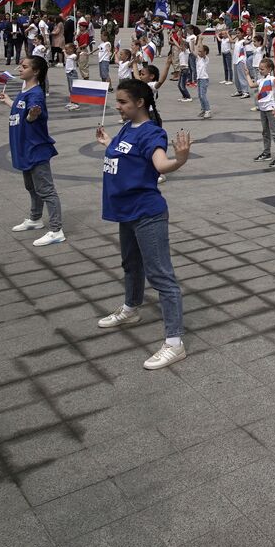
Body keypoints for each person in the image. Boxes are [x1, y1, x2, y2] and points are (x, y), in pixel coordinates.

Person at [94, 79, 192, 370]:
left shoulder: (152, 132)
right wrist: (108, 142)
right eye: (117, 101)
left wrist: (180, 159)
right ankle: (131, 308)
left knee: (161, 276)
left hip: (147, 213)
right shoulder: (127, 127)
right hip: (126, 211)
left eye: (123, 102)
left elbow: (160, 164)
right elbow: (127, 153)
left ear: (139, 103)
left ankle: (175, 343)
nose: (118, 106)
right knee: (130, 265)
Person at [3, 55, 66, 246]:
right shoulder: (26, 91)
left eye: (24, 67)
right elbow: (21, 109)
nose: (20, 69)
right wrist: (8, 101)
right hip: (23, 147)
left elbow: (32, 114)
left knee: (46, 190)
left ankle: (56, 230)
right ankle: (35, 218)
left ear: (35, 71)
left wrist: (32, 115)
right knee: (32, 187)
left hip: (35, 149)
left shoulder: (36, 94)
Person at [245, 57, 275, 167]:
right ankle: (267, 153)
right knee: (265, 132)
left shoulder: (272, 79)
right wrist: (247, 74)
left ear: (269, 69)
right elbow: (252, 85)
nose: (260, 71)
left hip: (271, 108)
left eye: (262, 69)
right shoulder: (261, 80)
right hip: (262, 109)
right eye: (259, 69)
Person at [63, 42, 83, 112]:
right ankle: (72, 102)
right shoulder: (69, 55)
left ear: (71, 49)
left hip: (72, 73)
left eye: (67, 49)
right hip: (68, 73)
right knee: (70, 88)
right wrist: (64, 51)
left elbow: (76, 58)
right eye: (65, 49)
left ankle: (76, 104)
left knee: (73, 88)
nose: (66, 50)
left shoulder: (73, 55)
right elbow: (66, 56)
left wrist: (78, 53)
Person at [194, 42, 211, 119]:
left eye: (201, 51)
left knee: (202, 95)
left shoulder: (205, 58)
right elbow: (193, 51)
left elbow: (201, 49)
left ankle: (208, 110)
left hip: (204, 79)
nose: (199, 52)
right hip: (199, 78)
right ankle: (203, 109)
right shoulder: (198, 58)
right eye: (199, 51)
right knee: (199, 96)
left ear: (205, 52)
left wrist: (200, 40)